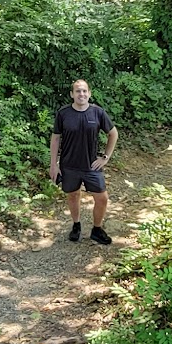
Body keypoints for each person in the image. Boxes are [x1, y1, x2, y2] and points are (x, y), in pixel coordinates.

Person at [49, 78, 119, 244]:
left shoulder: (98, 112)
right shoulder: (63, 113)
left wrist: (105, 157)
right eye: (78, 91)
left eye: (84, 91)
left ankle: (97, 229)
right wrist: (53, 164)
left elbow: (113, 134)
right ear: (72, 94)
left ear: (89, 93)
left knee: (102, 198)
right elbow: (55, 138)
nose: (81, 94)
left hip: (91, 165)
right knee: (73, 195)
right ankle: (76, 225)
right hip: (69, 165)